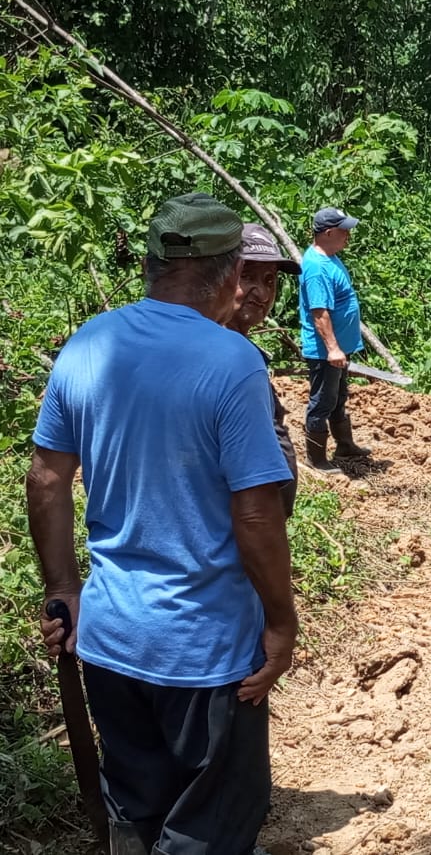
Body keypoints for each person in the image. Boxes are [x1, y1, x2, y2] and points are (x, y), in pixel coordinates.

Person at [26, 193, 297, 854]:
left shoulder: (89, 344)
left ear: (149, 265)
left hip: (110, 638)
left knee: (136, 813)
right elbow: (256, 511)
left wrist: (63, 587)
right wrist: (280, 622)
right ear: (231, 274)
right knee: (211, 827)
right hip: (205, 650)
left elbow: (47, 479)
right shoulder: (233, 362)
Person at [229, 222, 302, 517]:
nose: (261, 293)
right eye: (247, 277)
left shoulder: (244, 352)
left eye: (269, 280)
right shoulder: (224, 359)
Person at [299, 206, 370, 473]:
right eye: (344, 231)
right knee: (322, 402)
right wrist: (333, 349)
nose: (348, 236)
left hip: (338, 348)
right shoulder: (317, 268)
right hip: (325, 351)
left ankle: (344, 445)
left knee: (338, 397)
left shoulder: (330, 258)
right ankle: (316, 459)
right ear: (328, 233)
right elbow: (319, 313)